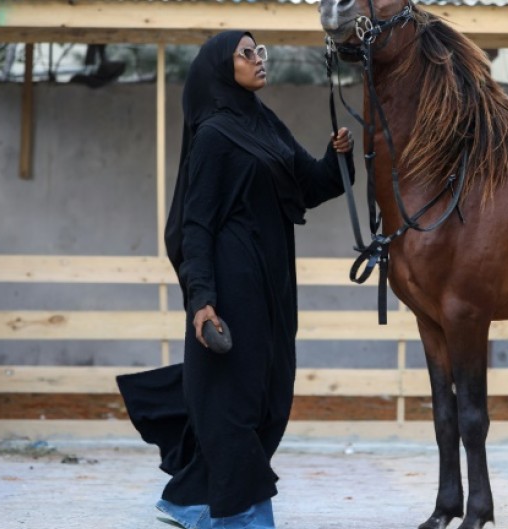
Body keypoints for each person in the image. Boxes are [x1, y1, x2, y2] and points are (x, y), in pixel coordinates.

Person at [117, 30, 354, 529]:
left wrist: (338, 156)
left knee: (271, 397)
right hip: (230, 287)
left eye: (260, 51)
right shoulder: (213, 136)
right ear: (224, 67)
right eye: (247, 53)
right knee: (233, 404)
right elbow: (196, 225)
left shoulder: (265, 125)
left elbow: (311, 186)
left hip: (273, 288)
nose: (258, 59)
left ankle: (187, 501)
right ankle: (242, 516)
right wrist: (202, 301)